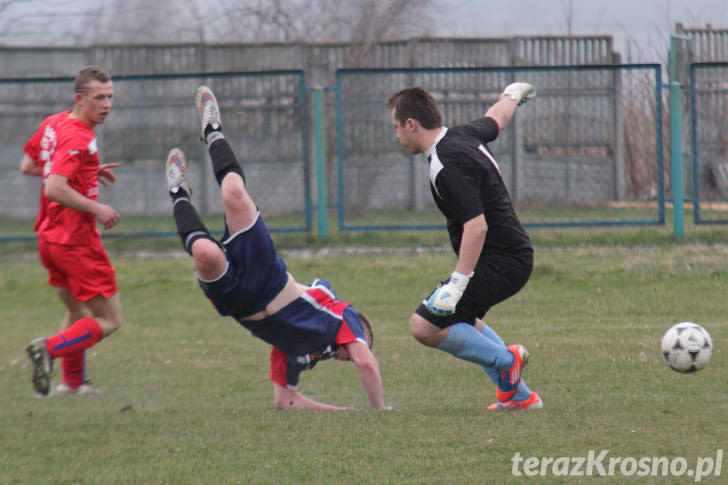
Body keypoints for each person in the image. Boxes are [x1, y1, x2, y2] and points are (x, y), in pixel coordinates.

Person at [165, 85, 388, 410]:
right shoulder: (342, 315)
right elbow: (367, 362)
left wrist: (344, 412)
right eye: (361, 342)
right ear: (359, 329)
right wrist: (379, 411)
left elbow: (285, 401)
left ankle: (178, 193)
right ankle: (213, 130)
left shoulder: (301, 351)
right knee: (234, 195)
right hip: (268, 277)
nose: (353, 356)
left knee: (204, 254)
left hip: (239, 304)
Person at [386, 83, 542, 410]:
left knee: (425, 326)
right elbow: (495, 119)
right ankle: (521, 398)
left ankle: (506, 360)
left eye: (397, 127)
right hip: (511, 257)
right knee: (463, 321)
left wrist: (457, 283)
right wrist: (511, 96)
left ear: (411, 124)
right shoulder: (461, 135)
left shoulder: (447, 163)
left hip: (503, 262)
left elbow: (476, 225)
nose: (396, 135)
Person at [23, 66, 123, 397]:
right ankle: (48, 349)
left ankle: (73, 383)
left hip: (49, 238)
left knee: (78, 311)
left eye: (110, 97)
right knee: (110, 319)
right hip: (76, 241)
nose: (107, 104)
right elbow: (54, 187)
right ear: (80, 99)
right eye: (99, 98)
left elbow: (30, 165)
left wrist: (84, 173)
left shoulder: (53, 123)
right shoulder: (79, 136)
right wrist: (96, 208)